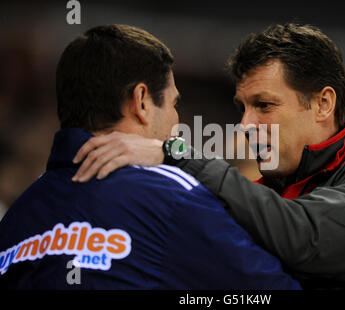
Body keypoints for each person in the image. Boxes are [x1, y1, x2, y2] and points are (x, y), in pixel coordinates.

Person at [72, 23, 345, 289]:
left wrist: (175, 153)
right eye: (243, 108)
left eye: (264, 105)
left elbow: (305, 237)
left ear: (322, 103)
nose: (246, 125)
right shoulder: (264, 190)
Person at [0, 24, 301, 290]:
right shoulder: (174, 196)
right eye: (173, 103)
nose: (177, 121)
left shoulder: (15, 219)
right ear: (141, 101)